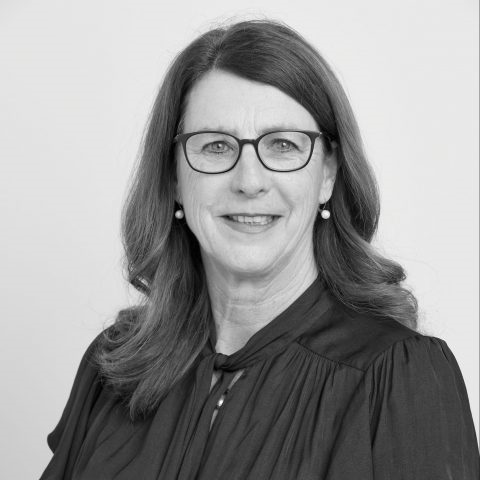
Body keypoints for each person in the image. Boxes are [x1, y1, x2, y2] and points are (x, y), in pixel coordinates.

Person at [40, 19, 479, 480]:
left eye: (283, 145)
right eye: (215, 146)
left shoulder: (398, 377)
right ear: (174, 178)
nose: (249, 181)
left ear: (328, 173)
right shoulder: (114, 366)